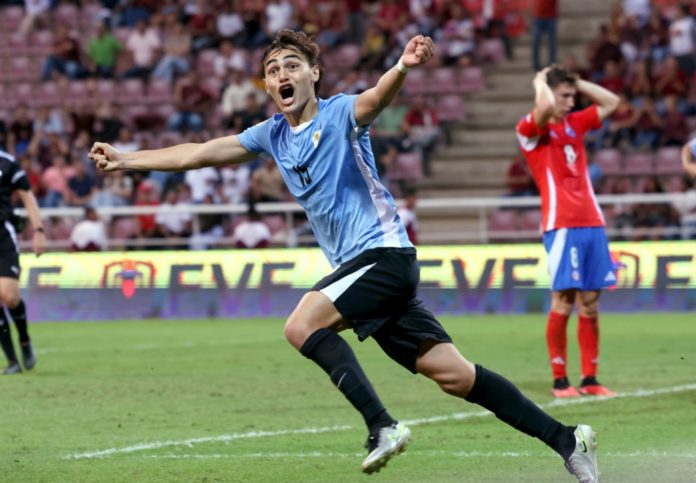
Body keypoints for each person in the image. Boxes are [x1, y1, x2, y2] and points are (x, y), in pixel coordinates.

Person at [90, 30, 600, 482]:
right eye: (272, 70)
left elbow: (377, 97)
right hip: (366, 272)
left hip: (383, 256)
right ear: (268, 87)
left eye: (292, 65)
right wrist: (127, 159)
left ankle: (382, 425)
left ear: (314, 73)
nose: (282, 74)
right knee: (456, 376)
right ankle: (567, 439)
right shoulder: (271, 134)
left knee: (299, 325)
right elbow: (197, 152)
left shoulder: (339, 113)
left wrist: (402, 66)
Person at [516, 65, 620, 399]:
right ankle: (561, 380)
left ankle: (590, 378)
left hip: (592, 221)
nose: (570, 101)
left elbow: (612, 102)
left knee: (590, 302)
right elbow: (544, 109)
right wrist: (539, 82)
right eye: (565, 95)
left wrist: (578, 83)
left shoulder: (576, 123)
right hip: (561, 225)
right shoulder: (531, 132)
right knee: (563, 299)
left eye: (572, 96)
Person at [0, 148, 45, 374]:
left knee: (8, 295)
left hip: (3, 235)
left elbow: (28, 196)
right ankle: (12, 361)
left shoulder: (7, 163)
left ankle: (25, 341)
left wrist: (38, 229)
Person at [532, 0, 558, 71]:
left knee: (551, 42)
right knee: (535, 41)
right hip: (538, 16)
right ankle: (535, 64)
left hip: (550, 17)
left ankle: (552, 63)